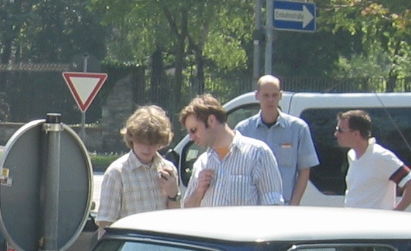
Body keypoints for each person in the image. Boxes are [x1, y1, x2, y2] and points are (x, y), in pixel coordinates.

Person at [180, 94, 284, 208]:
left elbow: (273, 205)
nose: (191, 137)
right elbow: (187, 209)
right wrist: (199, 191)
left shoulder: (258, 153)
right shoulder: (201, 163)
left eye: (194, 130)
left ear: (211, 120)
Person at [96, 105, 181, 233]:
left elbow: (175, 222)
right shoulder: (117, 173)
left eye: (152, 143)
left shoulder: (168, 170)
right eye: (142, 142)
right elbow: (105, 225)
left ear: (161, 142)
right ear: (132, 138)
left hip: (162, 243)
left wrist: (174, 196)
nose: (147, 149)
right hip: (131, 243)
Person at [234, 75, 318, 205]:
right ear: (257, 95)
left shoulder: (298, 129)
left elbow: (304, 171)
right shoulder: (243, 130)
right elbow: (236, 170)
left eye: (274, 95)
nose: (270, 100)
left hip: (284, 205)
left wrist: (293, 205)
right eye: (266, 95)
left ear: (281, 96)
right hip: (252, 207)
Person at [337, 110, 411, 210]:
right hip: (353, 218)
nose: (336, 134)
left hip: (376, 220)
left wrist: (396, 213)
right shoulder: (352, 155)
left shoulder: (380, 156)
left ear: (356, 134)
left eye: (340, 130)